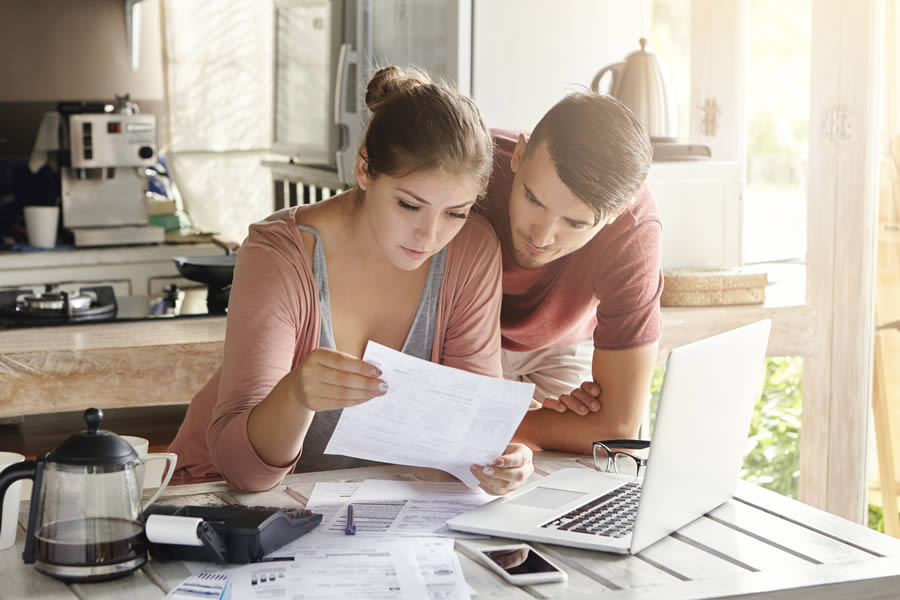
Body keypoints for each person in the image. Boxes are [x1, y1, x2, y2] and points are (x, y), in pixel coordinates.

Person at [168, 66, 533, 495]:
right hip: (222, 504)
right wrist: (295, 396)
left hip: (360, 514)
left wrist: (496, 462)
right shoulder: (279, 254)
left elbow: (461, 442)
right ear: (364, 169)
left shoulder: (472, 251)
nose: (429, 236)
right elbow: (244, 475)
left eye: (455, 212)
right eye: (409, 205)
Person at [477, 92, 661, 455]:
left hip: (559, 345)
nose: (541, 237)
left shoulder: (634, 231)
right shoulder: (471, 165)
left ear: (615, 214)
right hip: (461, 336)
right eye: (533, 199)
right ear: (518, 155)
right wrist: (519, 422)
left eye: (575, 222)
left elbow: (618, 431)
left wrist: (493, 421)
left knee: (578, 472)